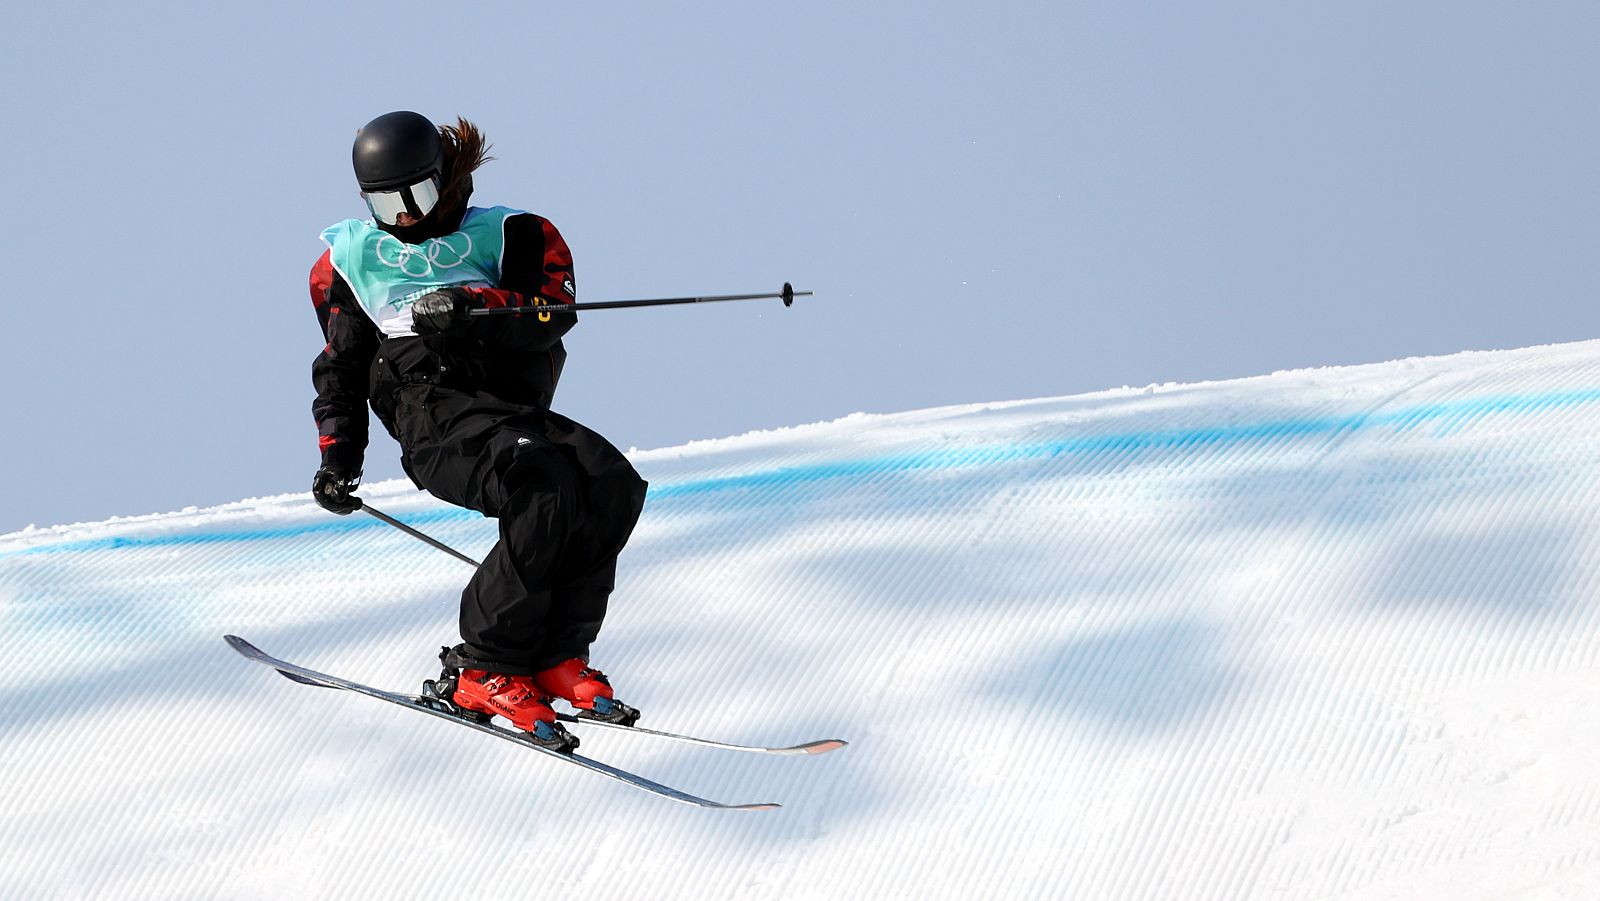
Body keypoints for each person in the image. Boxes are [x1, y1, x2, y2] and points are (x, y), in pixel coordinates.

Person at [307, 110, 648, 751]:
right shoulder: (352, 260)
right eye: (387, 202)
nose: (405, 215)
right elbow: (341, 366)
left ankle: (553, 654)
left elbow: (553, 312)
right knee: (539, 480)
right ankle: (484, 663)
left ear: (447, 178)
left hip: (505, 407)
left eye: (419, 196)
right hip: (430, 412)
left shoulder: (516, 234)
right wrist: (339, 454)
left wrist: (473, 308)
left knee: (609, 482)